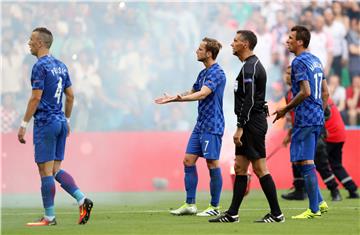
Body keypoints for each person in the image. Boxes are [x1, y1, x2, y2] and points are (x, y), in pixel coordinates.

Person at [17, 27, 93, 226]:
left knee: (44, 171)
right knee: (55, 170)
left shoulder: (39, 66)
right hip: (60, 122)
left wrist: (24, 124)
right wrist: (67, 120)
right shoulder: (61, 65)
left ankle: (49, 217)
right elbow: (71, 95)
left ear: (40, 43)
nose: (29, 43)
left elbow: (35, 98)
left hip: (45, 123)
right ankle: (82, 199)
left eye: (32, 39)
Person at [210, 30, 284, 223]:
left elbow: (249, 100)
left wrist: (240, 126)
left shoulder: (251, 67)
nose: (232, 44)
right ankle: (233, 214)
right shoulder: (249, 66)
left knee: (260, 168)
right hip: (252, 121)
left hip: (252, 124)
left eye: (235, 41)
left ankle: (277, 214)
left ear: (245, 44)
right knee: (240, 167)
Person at [155, 37, 226, 217]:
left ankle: (214, 206)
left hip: (212, 124)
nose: (197, 51)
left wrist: (179, 100)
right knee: (188, 160)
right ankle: (190, 204)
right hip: (201, 123)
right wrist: (175, 96)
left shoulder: (217, 72)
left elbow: (202, 94)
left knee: (212, 163)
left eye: (200, 49)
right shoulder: (203, 73)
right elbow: (194, 90)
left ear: (209, 53)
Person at [273, 25, 329, 219]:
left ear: (300, 42)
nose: (287, 41)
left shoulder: (298, 62)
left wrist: (285, 109)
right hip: (315, 117)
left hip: (305, 118)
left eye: (290, 38)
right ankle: (320, 202)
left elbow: (305, 91)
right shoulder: (316, 60)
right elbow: (326, 92)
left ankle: (313, 209)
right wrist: (319, 113)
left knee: (304, 162)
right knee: (301, 160)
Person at [281, 67, 359, 201]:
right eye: (286, 74)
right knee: (301, 159)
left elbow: (322, 113)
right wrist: (290, 133)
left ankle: (334, 191)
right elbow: (295, 117)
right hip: (321, 131)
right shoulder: (294, 93)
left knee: (319, 162)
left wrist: (321, 129)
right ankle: (301, 189)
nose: (287, 76)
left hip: (323, 131)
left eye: (290, 74)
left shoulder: (305, 92)